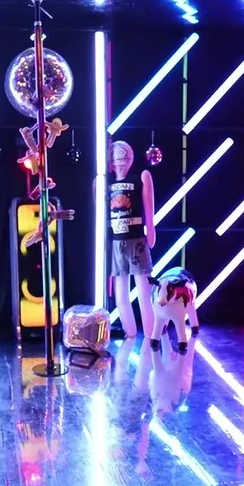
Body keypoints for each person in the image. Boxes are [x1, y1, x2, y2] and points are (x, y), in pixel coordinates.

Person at [107, 140, 155, 339]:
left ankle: (152, 334)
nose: (119, 162)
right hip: (116, 242)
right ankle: (130, 332)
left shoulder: (140, 177)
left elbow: (148, 205)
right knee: (121, 294)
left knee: (144, 291)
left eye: (123, 157)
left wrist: (151, 229)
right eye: (115, 158)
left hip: (137, 240)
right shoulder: (105, 183)